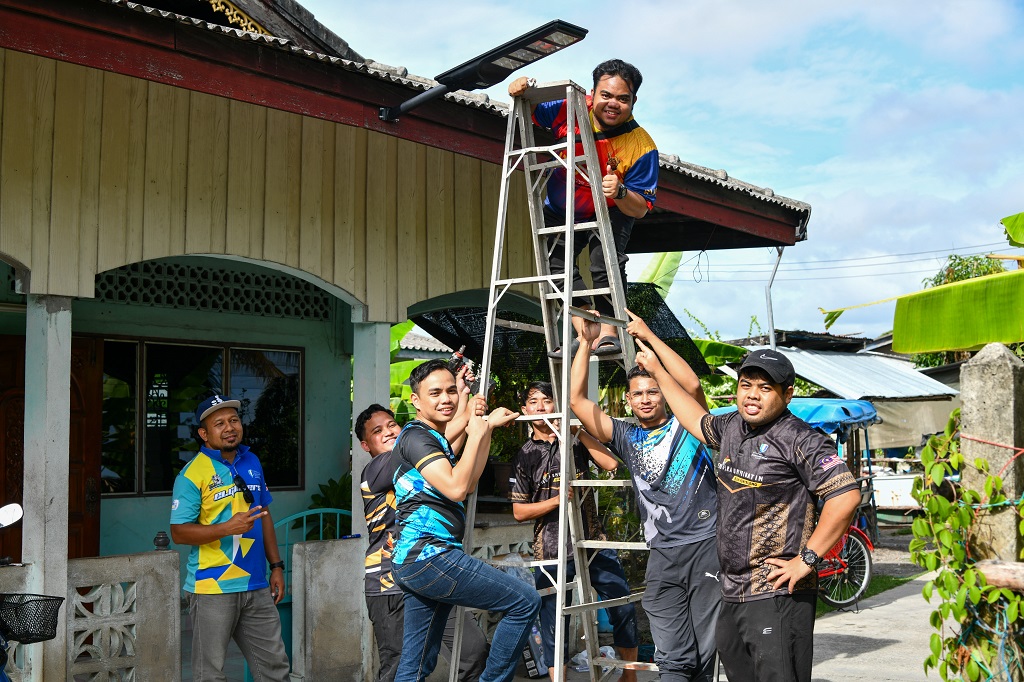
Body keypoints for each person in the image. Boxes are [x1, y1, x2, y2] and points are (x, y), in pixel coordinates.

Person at [629, 341, 861, 682]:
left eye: (765, 388)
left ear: (787, 394)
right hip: (732, 590)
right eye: (746, 385)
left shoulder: (802, 439)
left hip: (777, 591)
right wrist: (658, 372)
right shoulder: (732, 427)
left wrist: (807, 560)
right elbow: (694, 417)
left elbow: (846, 496)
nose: (752, 395)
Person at [570, 311, 721, 682]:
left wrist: (650, 337)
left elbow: (692, 384)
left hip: (707, 546)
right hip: (662, 554)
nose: (646, 399)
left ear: (664, 395)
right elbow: (576, 400)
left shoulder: (689, 423)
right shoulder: (625, 436)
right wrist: (586, 343)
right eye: (638, 394)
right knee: (672, 655)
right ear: (628, 402)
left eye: (653, 391)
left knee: (704, 653)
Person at [390, 359, 541, 682]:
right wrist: (478, 429)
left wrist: (483, 430)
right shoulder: (416, 438)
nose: (446, 398)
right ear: (416, 400)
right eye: (435, 393)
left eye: (450, 391)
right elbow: (457, 487)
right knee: (525, 601)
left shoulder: (434, 438)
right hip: (430, 556)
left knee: (417, 665)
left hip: (417, 560)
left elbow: (468, 482)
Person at [508, 59, 658, 357]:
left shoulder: (642, 147)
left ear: (634, 101)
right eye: (606, 95)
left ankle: (610, 331)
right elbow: (529, 106)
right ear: (593, 92)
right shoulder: (569, 107)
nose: (613, 104)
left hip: (610, 209)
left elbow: (640, 208)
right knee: (554, 268)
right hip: (563, 205)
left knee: (605, 265)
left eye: (623, 98)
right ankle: (586, 327)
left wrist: (621, 191)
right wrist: (518, 86)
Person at [510, 381, 639, 681]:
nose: (541, 407)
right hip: (552, 549)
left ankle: (629, 677)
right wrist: (556, 501)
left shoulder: (575, 440)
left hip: (592, 540)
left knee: (622, 606)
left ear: (556, 406)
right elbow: (519, 512)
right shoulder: (525, 455)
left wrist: (576, 431)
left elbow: (609, 464)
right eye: (534, 402)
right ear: (524, 410)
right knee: (554, 622)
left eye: (547, 401)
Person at [356, 403, 489, 682]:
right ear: (366, 445)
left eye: (392, 425)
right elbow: (428, 444)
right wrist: (465, 414)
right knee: (399, 667)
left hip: (432, 572)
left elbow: (443, 451)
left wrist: (467, 408)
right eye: (377, 431)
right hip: (388, 584)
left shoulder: (421, 465)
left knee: (473, 650)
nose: (388, 432)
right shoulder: (376, 469)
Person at [170, 394, 290, 682]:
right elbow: (179, 532)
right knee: (210, 675)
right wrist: (226, 528)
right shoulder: (191, 475)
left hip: (256, 584)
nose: (229, 427)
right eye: (219, 423)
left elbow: (265, 515)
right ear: (204, 433)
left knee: (275, 669)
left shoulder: (252, 461)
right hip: (212, 588)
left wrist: (276, 566)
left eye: (234, 420)